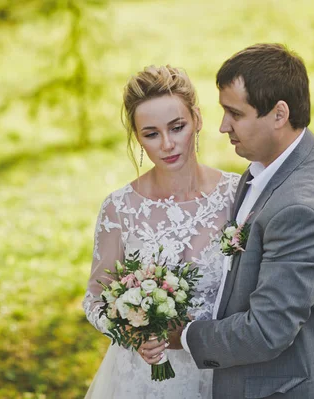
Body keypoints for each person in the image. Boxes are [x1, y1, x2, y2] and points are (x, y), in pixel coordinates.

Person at [147, 43, 314, 398]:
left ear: (279, 114)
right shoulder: (265, 169)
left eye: (235, 114)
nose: (222, 126)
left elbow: (266, 330)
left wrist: (183, 336)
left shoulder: (298, 209)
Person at [82, 65, 240, 398]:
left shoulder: (237, 195)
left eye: (177, 127)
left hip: (222, 371)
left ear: (197, 118)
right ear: (137, 137)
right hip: (144, 380)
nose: (167, 144)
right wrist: (130, 332)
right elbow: (95, 299)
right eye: (151, 134)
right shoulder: (120, 208)